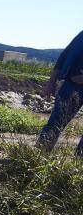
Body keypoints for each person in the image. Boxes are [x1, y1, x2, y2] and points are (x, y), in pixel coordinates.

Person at [36, 29, 83, 157]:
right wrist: (51, 82)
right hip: (71, 85)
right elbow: (64, 57)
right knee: (55, 123)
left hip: (74, 84)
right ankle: (37, 159)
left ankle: (78, 166)